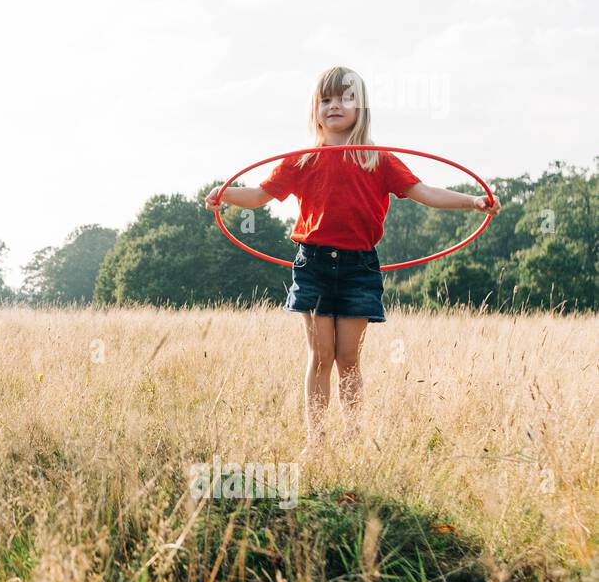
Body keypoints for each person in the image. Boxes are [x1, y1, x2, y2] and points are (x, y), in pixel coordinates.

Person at [205, 66, 499, 445]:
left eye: (345, 98)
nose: (335, 106)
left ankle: (353, 436)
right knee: (320, 355)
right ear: (315, 108)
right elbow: (260, 196)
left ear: (361, 107)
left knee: (348, 359)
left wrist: (474, 201)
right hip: (312, 263)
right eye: (326, 99)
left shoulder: (377, 160)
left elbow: (425, 192)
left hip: (359, 265)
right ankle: (318, 440)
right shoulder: (302, 159)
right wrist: (225, 193)